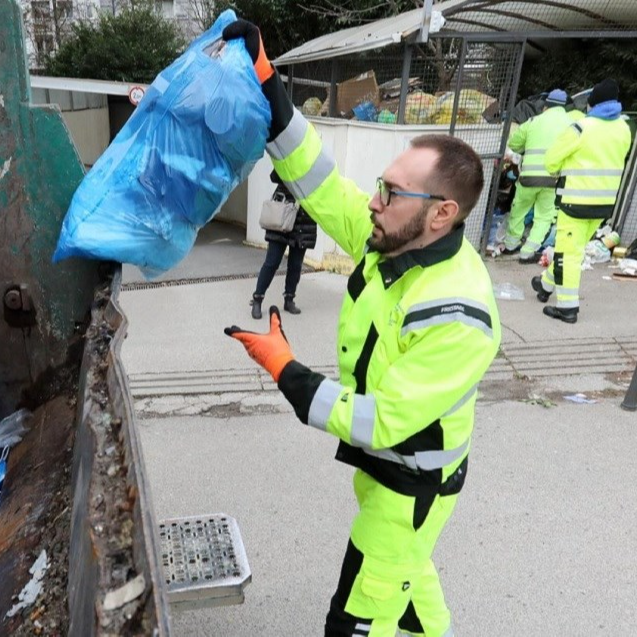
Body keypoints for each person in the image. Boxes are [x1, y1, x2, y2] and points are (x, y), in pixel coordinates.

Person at [222, 19, 501, 637]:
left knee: (355, 620)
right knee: (411, 586)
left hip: (411, 487)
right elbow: (322, 185)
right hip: (386, 474)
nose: (374, 202)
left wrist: (286, 371)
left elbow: (386, 419)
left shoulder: (461, 314)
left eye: (392, 192)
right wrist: (274, 98)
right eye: (381, 186)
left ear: (441, 214)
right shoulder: (391, 244)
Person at [532, 79, 631, 323]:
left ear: (592, 102)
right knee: (572, 249)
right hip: (603, 205)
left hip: (574, 202)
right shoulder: (624, 129)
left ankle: (567, 308)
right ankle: (545, 285)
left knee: (569, 255)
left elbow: (551, 161)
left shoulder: (581, 127)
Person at [502, 89, 572, 263]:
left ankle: (510, 246)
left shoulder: (533, 121)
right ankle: (528, 252)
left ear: (545, 106)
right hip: (552, 178)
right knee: (544, 216)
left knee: (518, 210)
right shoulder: (571, 125)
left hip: (528, 178)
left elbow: (514, 143)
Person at [251, 170, 317, 319]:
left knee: (295, 265)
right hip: (282, 214)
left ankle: (289, 299)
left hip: (303, 219)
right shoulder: (288, 156)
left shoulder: (315, 163)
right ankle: (257, 299)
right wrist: (289, 170)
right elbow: (273, 176)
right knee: (272, 262)